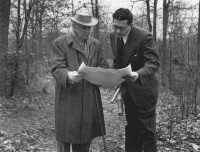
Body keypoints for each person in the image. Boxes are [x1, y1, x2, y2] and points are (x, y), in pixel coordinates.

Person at [51, 12, 108, 152]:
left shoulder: (96, 44)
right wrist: (68, 75)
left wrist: (101, 73)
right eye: (83, 27)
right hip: (68, 97)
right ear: (74, 25)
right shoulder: (60, 43)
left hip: (89, 98)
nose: (87, 31)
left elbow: (104, 65)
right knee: (66, 139)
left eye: (89, 28)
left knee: (84, 138)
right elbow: (56, 67)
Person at [110, 8, 160, 152]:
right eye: (115, 26)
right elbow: (117, 60)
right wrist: (115, 76)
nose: (118, 31)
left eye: (122, 28)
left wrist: (137, 74)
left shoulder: (144, 36)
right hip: (128, 90)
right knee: (132, 127)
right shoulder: (113, 35)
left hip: (145, 90)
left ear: (130, 25)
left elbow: (153, 63)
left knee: (147, 130)